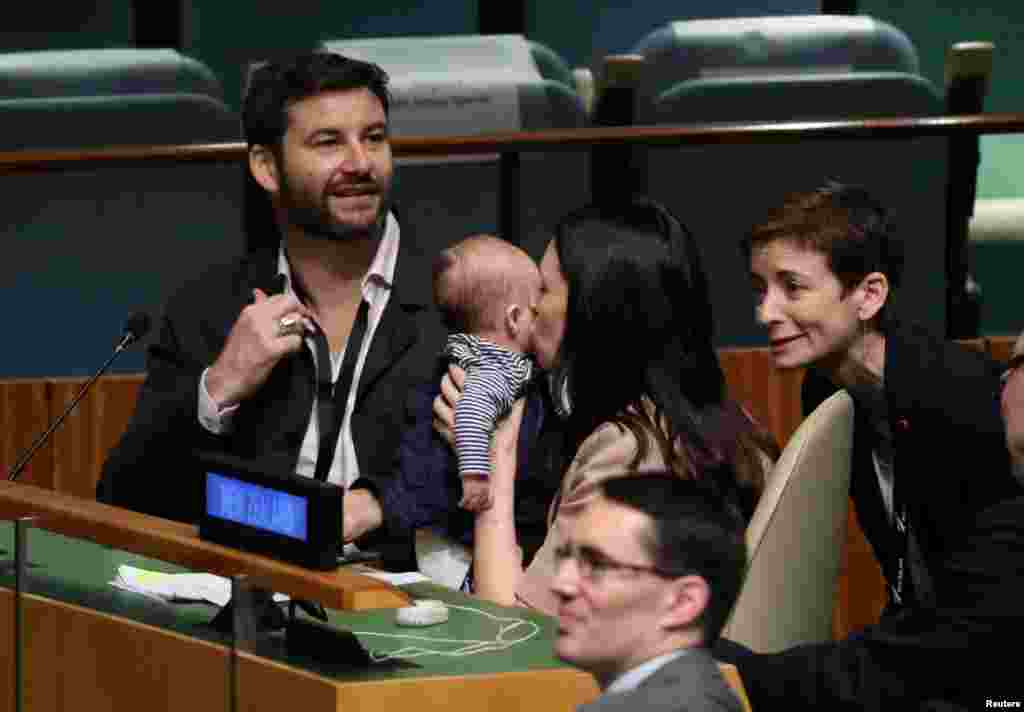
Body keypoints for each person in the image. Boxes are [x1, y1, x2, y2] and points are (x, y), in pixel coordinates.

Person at [97, 51, 447, 568]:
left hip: (418, 615)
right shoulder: (209, 309)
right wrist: (219, 389)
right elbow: (127, 502)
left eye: (374, 138)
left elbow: (515, 485)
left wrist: (378, 506)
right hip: (255, 607)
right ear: (266, 166)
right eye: (328, 142)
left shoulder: (456, 302)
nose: (360, 163)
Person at [730, 181, 1024, 710]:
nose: (765, 312)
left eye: (792, 288)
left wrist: (758, 678)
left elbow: (971, 626)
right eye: (760, 289)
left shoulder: (959, 398)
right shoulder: (829, 387)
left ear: (869, 295)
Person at [435, 197, 777, 612]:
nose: (533, 307)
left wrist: (493, 460)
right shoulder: (733, 425)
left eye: (544, 288)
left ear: (593, 305)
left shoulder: (626, 452)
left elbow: (512, 633)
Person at [552, 473, 746, 712]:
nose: (561, 584)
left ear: (683, 602)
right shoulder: (711, 697)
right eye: (565, 557)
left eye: (598, 565)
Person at [433, 234, 540, 513]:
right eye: (536, 311)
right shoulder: (494, 368)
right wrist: (475, 476)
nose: (540, 319)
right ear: (514, 318)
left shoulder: (473, 357)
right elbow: (469, 414)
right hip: (457, 542)